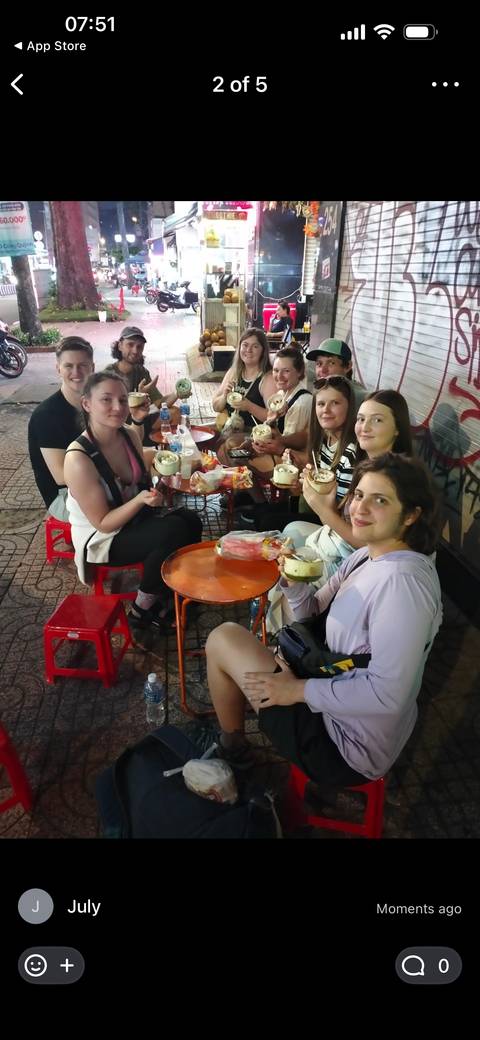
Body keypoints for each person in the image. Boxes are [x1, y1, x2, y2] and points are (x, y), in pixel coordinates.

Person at [205, 453, 443, 787]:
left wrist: (296, 690)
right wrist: (292, 582)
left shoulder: (402, 585)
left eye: (380, 500)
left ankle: (234, 752)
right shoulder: (368, 555)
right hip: (334, 689)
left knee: (223, 638)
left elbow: (388, 696)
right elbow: (314, 614)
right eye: (359, 494)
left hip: (346, 744)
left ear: (411, 515)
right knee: (241, 644)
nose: (359, 508)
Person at [265, 387, 413, 632]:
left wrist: (323, 510)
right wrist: (317, 491)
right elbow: (342, 512)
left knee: (288, 575)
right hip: (339, 542)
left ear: (398, 428)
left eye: (377, 420)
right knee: (286, 544)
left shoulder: (398, 480)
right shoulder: (358, 457)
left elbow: (370, 548)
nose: (364, 427)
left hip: (361, 562)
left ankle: (292, 636)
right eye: (361, 419)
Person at [63, 372, 202, 630]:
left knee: (191, 520)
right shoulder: (78, 459)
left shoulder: (129, 434)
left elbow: (142, 483)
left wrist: (159, 486)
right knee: (171, 531)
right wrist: (140, 500)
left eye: (122, 399)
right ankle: (141, 609)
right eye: (106, 399)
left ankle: (175, 589)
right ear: (87, 404)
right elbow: (103, 522)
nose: (118, 407)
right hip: (103, 539)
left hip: (133, 520)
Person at [28, 336, 95, 521]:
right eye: (68, 366)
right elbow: (61, 476)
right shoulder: (46, 415)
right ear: (58, 369)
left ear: (92, 368)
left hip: (94, 481)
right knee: (125, 504)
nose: (76, 372)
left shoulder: (94, 403)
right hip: (62, 495)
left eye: (82, 365)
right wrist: (114, 468)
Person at [106, 326, 180, 445]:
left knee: (174, 412)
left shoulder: (141, 372)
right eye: (130, 345)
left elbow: (160, 404)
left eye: (139, 346)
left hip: (142, 421)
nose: (135, 351)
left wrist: (178, 392)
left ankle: (169, 454)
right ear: (120, 346)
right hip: (119, 427)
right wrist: (138, 398)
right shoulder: (108, 376)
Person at [213, 328, 275, 464]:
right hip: (227, 425)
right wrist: (224, 396)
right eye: (245, 345)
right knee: (202, 434)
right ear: (239, 347)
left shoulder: (267, 378)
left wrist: (249, 406)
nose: (248, 350)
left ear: (263, 351)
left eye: (255, 346)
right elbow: (215, 406)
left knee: (229, 444)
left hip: (252, 433)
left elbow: (273, 417)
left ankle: (232, 474)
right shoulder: (234, 372)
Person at [305, 338, 365, 409]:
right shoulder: (320, 392)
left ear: (348, 366)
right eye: (319, 363)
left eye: (331, 363)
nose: (323, 370)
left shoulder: (360, 398)